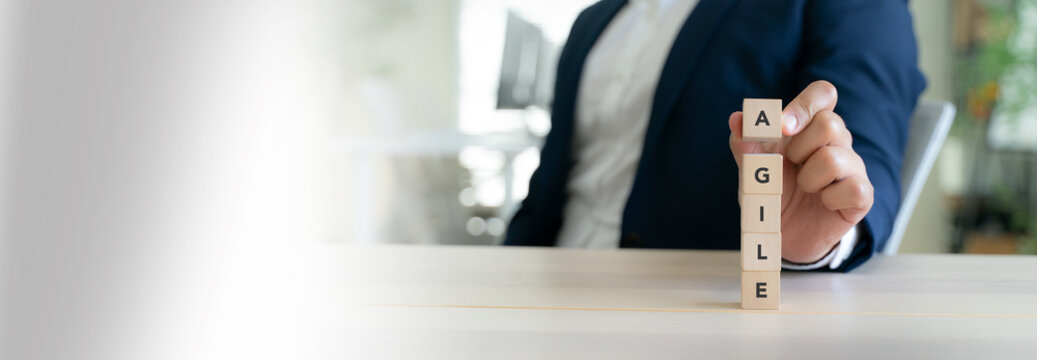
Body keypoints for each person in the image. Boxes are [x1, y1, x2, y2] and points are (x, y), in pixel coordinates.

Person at [504, 0, 926, 272]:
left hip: (684, 315)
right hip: (540, 292)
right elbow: (547, 191)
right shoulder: (591, 22)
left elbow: (866, 149)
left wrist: (816, 244)